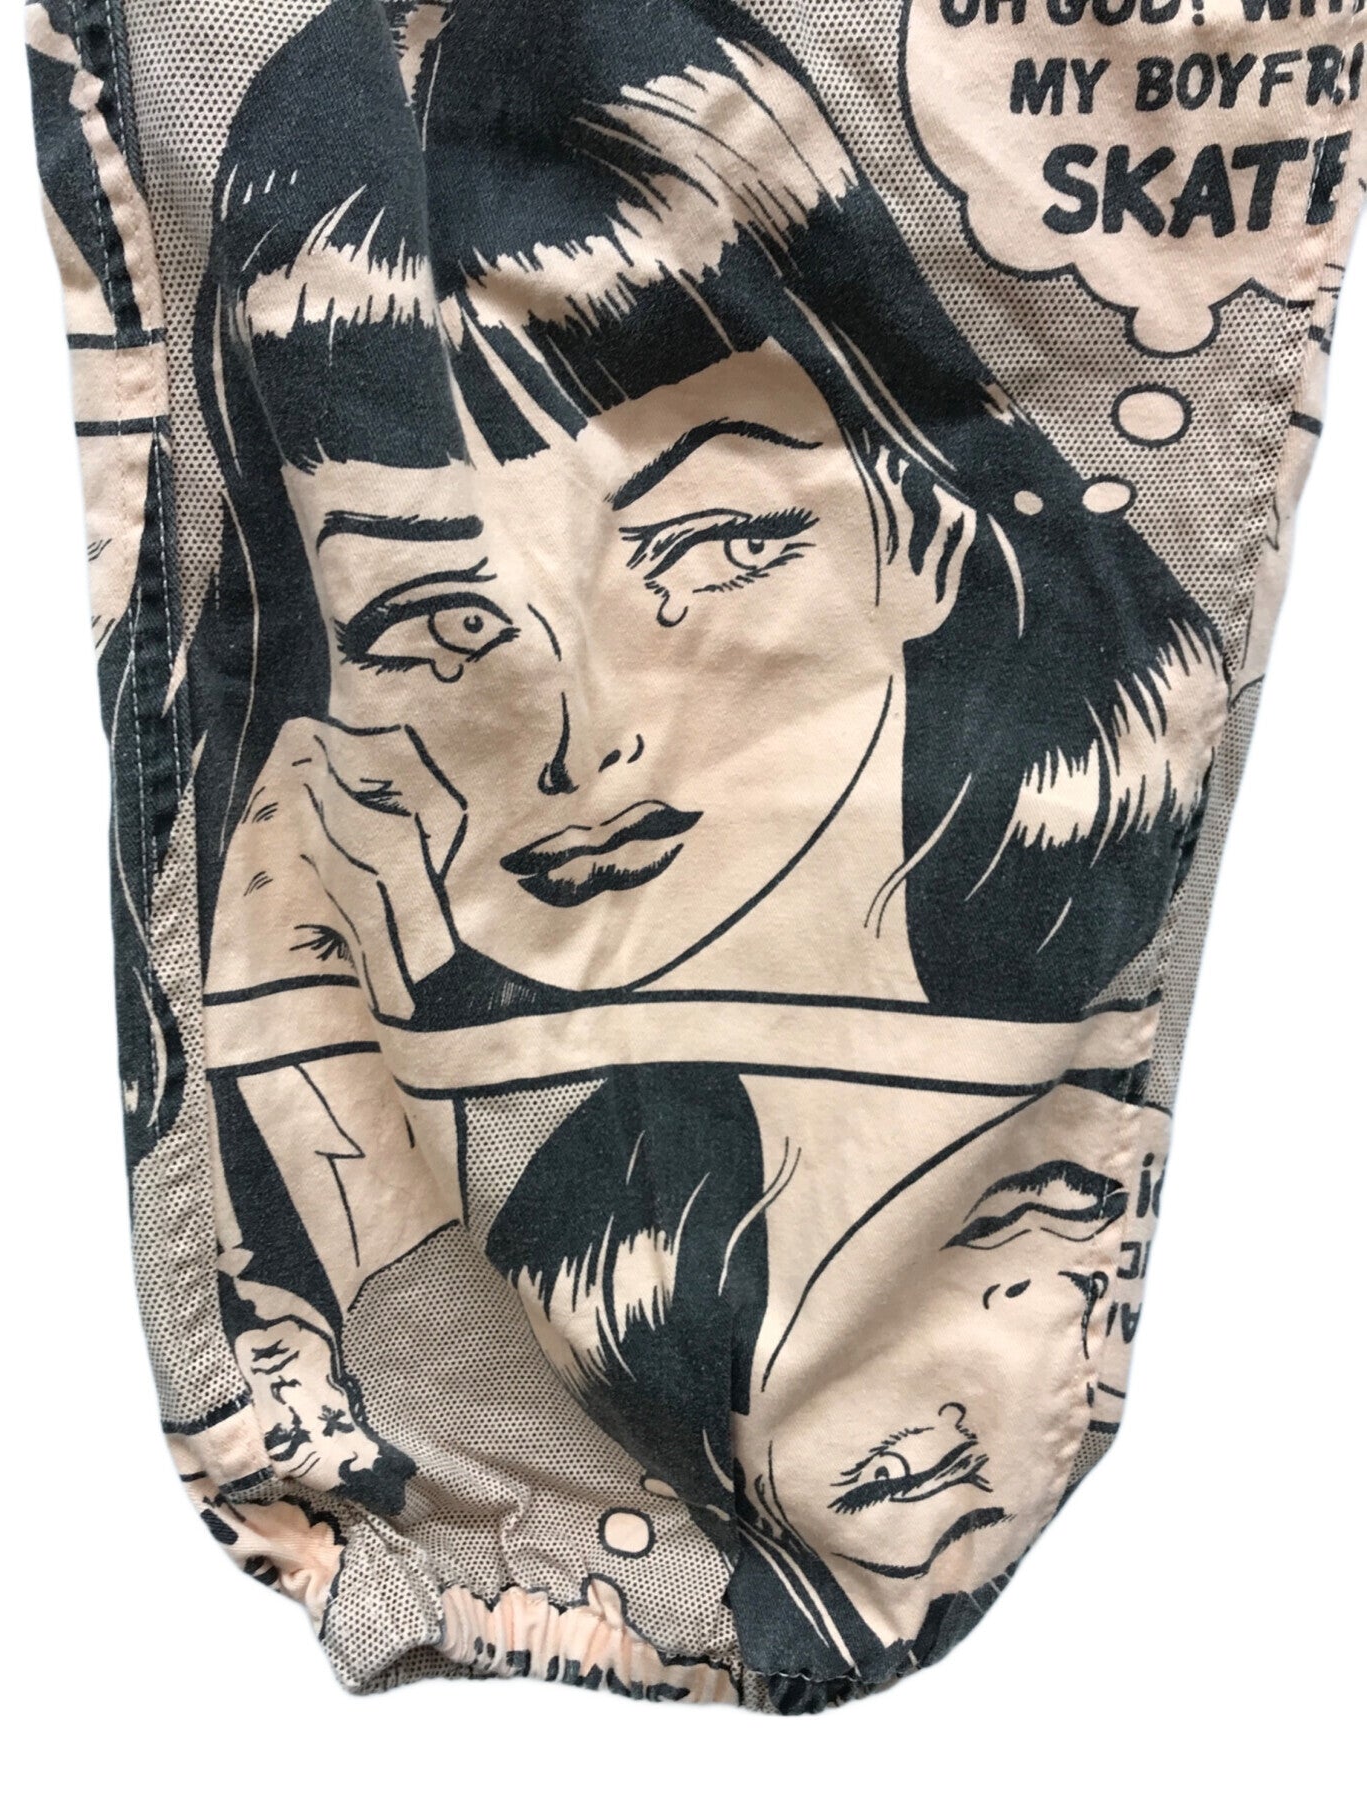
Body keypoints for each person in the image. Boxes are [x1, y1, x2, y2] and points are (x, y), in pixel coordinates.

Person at [190, 0, 1226, 1694]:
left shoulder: (1001, 1142)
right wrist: (335, 1126)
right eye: (440, 618)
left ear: (919, 522)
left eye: (710, 539)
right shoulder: (612, 1227)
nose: (579, 737)